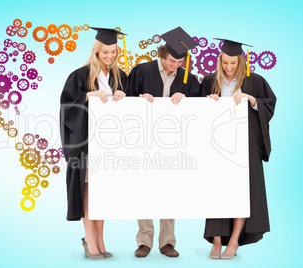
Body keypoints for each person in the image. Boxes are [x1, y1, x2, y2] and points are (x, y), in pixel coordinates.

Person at [200, 39, 276, 260]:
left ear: (241, 60)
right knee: (217, 191)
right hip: (217, 147)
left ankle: (233, 241)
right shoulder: (210, 81)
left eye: (233, 62)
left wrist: (251, 99)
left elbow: (269, 105)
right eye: (225, 62)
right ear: (220, 60)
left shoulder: (255, 81)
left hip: (246, 146)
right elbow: (196, 112)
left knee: (243, 191)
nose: (229, 67)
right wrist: (209, 101)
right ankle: (216, 240)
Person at [127, 26, 200, 258]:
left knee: (170, 189)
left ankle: (167, 242)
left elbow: (200, 109)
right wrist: (139, 99)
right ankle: (144, 241)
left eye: (179, 62)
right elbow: (125, 102)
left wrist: (186, 99)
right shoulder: (141, 71)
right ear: (161, 53)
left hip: (173, 144)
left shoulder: (187, 78)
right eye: (171, 60)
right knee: (142, 189)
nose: (175, 65)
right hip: (143, 141)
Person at [59, 27, 128, 260]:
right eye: (105, 52)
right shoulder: (80, 76)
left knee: (103, 192)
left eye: (113, 52)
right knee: (89, 190)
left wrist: (123, 95)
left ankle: (100, 238)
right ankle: (90, 239)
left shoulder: (120, 77)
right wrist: (88, 95)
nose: (109, 56)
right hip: (87, 145)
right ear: (97, 51)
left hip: (111, 146)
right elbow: (67, 107)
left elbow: (132, 107)